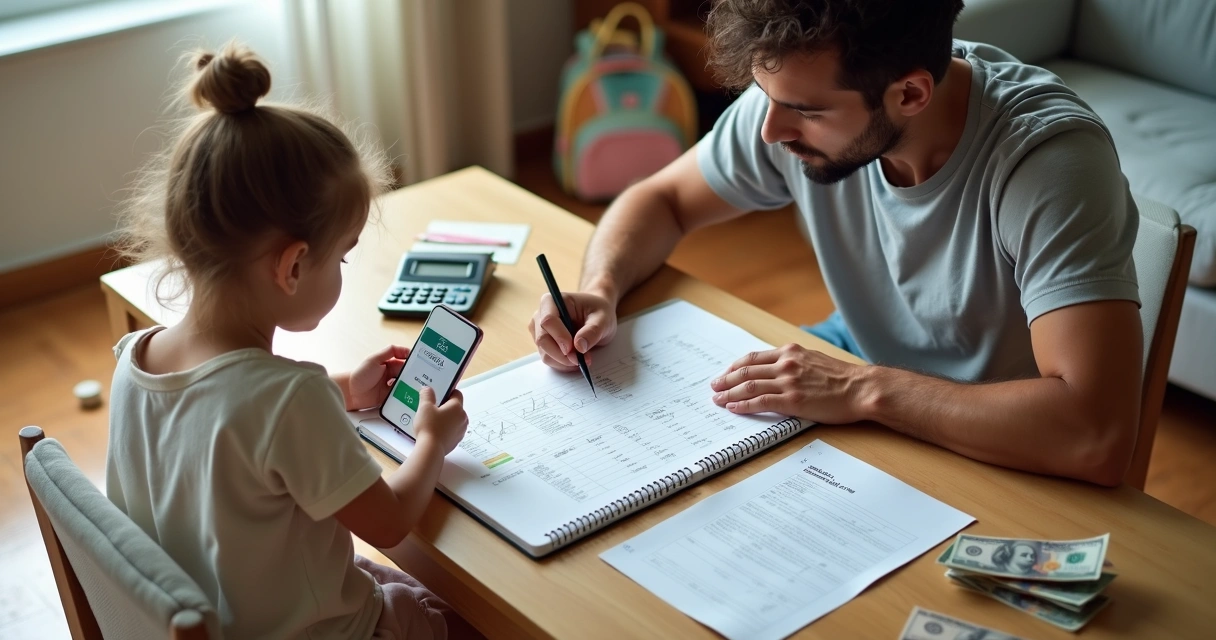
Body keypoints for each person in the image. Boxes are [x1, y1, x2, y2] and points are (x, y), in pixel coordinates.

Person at [528, 0, 1144, 487]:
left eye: (805, 112)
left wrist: (860, 389)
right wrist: (602, 287)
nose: (770, 131)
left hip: (997, 438)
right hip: (859, 365)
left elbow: (1094, 434)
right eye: (768, 99)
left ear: (910, 94)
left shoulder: (1048, 164)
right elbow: (660, 198)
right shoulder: (796, 95)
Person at [107, 42, 479, 639]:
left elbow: (230, 417)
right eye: (343, 257)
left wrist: (345, 389)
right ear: (293, 266)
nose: (344, 270)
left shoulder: (137, 359)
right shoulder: (289, 401)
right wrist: (433, 442)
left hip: (221, 612)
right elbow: (390, 523)